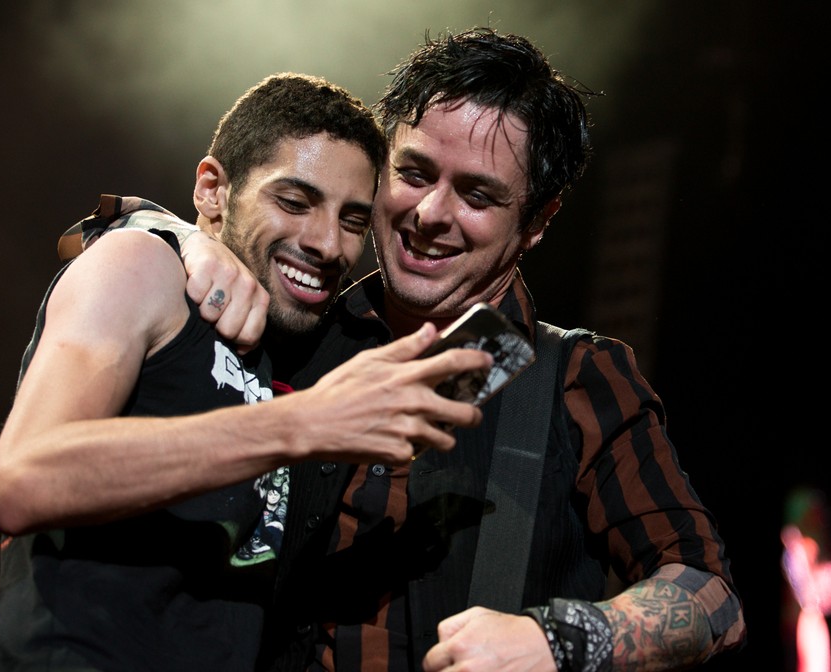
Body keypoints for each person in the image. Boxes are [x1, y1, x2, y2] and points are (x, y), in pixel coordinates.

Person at [240, 28, 746, 671]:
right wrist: (164, 238)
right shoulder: (293, 330)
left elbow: (710, 598)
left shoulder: (576, 378)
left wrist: (557, 641)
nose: (429, 213)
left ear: (537, 221)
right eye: (414, 173)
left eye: (477, 194)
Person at [0, 73, 493, 671]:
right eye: (294, 202)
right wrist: (296, 425)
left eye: (351, 220)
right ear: (214, 190)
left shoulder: (294, 349)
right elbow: (24, 478)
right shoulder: (144, 264)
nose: (327, 243)